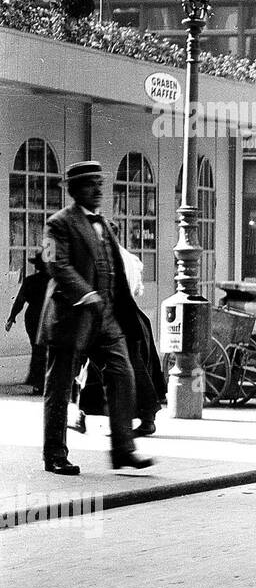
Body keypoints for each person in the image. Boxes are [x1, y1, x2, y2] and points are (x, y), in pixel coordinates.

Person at [39, 160, 153, 475]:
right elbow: (55, 264)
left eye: (100, 183)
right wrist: (84, 293)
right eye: (91, 184)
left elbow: (113, 266)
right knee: (60, 387)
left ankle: (124, 450)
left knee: (123, 374)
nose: (98, 189)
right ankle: (55, 455)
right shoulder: (57, 223)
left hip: (106, 318)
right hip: (71, 319)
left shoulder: (105, 224)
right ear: (75, 190)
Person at [78, 241, 165, 438]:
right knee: (103, 367)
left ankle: (143, 417)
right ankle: (82, 414)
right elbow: (136, 290)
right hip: (128, 314)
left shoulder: (105, 258)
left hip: (115, 317)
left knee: (121, 367)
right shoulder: (129, 257)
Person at [6, 254, 49, 393]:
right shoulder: (53, 281)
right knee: (48, 349)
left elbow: (20, 300)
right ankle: (46, 382)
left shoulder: (30, 281)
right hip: (48, 315)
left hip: (33, 317)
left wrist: (12, 317)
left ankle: (37, 383)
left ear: (37, 266)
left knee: (37, 348)